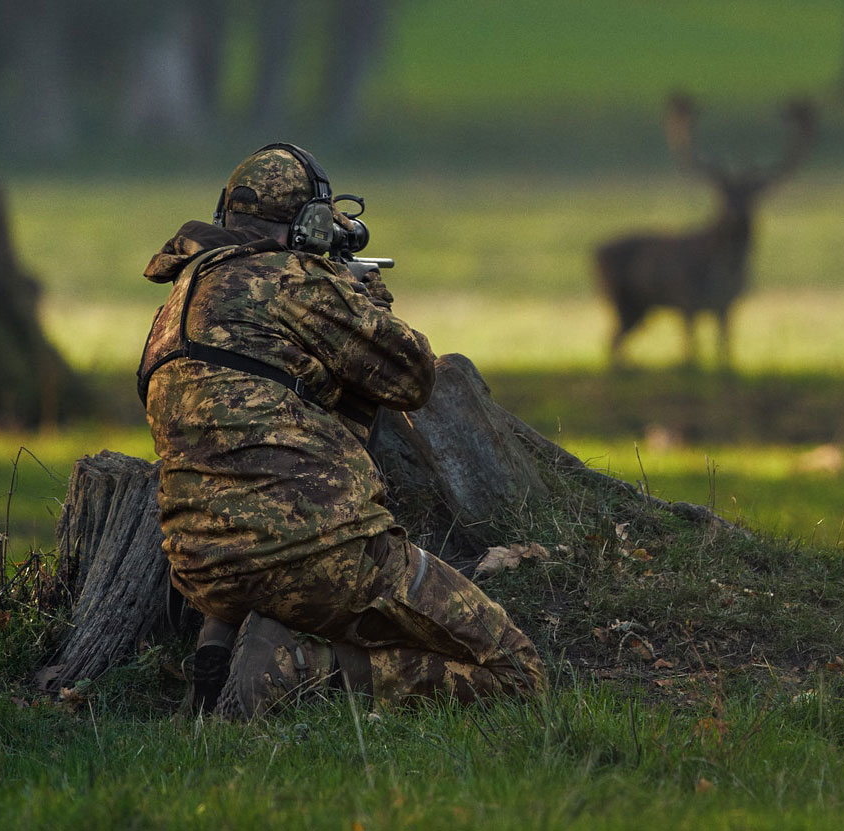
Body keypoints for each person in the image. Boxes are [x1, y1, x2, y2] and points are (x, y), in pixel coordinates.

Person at [137, 142, 546, 715]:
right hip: (318, 556)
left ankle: (228, 647)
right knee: (516, 669)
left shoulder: (181, 298)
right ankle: (298, 669)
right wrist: (362, 302)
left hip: (201, 570)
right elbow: (412, 377)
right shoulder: (291, 281)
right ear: (307, 225)